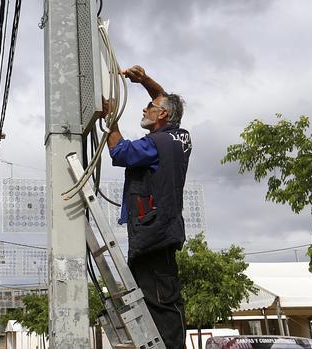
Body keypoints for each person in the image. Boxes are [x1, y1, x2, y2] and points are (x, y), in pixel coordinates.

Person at [102, 65, 191, 349]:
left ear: (162, 114)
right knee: (156, 302)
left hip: (154, 236)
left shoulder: (155, 143)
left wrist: (111, 120)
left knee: (161, 305)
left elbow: (120, 152)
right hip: (161, 234)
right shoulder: (179, 136)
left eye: (150, 107)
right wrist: (145, 81)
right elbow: (164, 97)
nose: (144, 109)